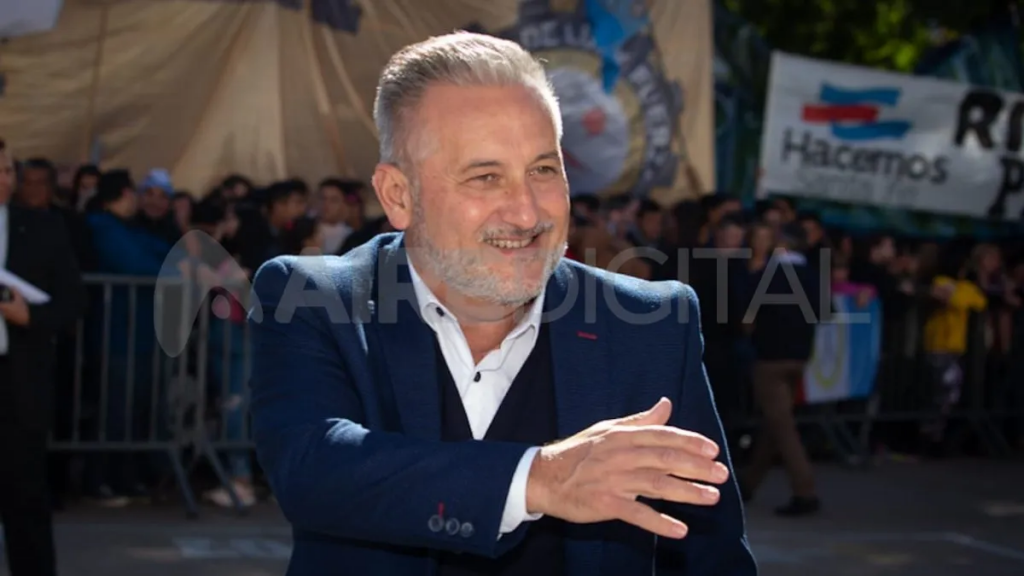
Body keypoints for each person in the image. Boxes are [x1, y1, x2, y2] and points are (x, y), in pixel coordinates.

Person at [248, 33, 756, 576]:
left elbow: (710, 556)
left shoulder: (648, 327)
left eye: (543, 170)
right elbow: (314, 468)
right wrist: (539, 479)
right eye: (486, 177)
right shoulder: (313, 301)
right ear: (398, 195)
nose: (526, 213)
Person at [0, 139, 84, 575]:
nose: (4, 181)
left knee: (25, 499)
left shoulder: (42, 228)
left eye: (7, 171)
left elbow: (73, 301)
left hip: (17, 383)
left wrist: (30, 316)